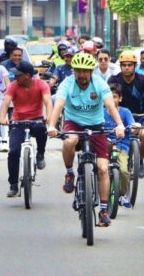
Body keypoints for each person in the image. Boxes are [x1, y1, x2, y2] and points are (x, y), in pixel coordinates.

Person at [47, 52, 125, 228]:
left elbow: (110, 105)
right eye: (78, 71)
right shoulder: (67, 83)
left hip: (96, 125)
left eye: (86, 71)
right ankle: (69, 173)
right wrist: (52, 125)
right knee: (69, 141)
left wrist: (119, 124)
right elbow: (59, 104)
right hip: (73, 123)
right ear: (74, 71)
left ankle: (104, 210)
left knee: (103, 168)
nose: (82, 75)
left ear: (91, 71)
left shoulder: (99, 83)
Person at [0, 61, 52, 197]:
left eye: (19, 75)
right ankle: (13, 185)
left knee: (42, 130)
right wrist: (2, 118)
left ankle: (40, 154)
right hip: (18, 121)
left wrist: (49, 117)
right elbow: (5, 103)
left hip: (37, 119)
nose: (15, 77)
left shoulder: (41, 84)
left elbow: (48, 102)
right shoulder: (13, 86)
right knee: (13, 152)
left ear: (28, 76)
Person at [108, 50, 144, 178]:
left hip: (141, 116)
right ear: (121, 66)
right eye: (124, 65)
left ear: (134, 66)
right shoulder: (114, 79)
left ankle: (140, 160)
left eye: (130, 65)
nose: (126, 67)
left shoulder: (143, 79)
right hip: (119, 117)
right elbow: (106, 97)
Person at [105, 84, 135, 208]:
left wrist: (134, 128)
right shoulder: (100, 112)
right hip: (105, 144)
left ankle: (122, 194)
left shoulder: (125, 112)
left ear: (120, 99)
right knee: (101, 168)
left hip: (122, 146)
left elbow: (133, 125)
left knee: (123, 170)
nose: (112, 100)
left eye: (115, 97)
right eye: (109, 97)